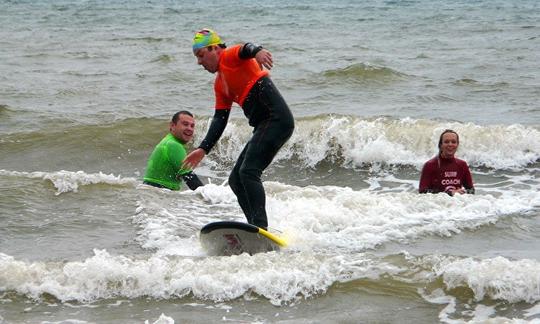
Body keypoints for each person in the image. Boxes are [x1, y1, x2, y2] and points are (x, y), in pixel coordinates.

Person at [183, 28, 295, 230]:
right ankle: (253, 227)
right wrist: (203, 149)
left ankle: (260, 228)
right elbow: (220, 119)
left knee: (249, 172)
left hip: (277, 119)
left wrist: (258, 51)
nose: (199, 62)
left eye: (200, 55)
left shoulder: (230, 56)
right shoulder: (220, 84)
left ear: (214, 48)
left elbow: (246, 48)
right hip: (263, 125)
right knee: (236, 179)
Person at [143, 110, 203, 191]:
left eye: (192, 126)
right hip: (158, 196)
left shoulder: (167, 141)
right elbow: (191, 180)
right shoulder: (173, 145)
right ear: (172, 125)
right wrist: (212, 199)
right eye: (185, 124)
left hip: (151, 193)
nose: (189, 129)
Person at [419, 129, 475, 196]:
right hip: (436, 205)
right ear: (440, 145)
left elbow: (471, 190)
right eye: (446, 142)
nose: (450, 144)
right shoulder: (430, 165)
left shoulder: (462, 165)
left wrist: (462, 192)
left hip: (458, 204)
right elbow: (422, 191)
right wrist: (449, 193)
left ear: (457, 145)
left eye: (453, 142)